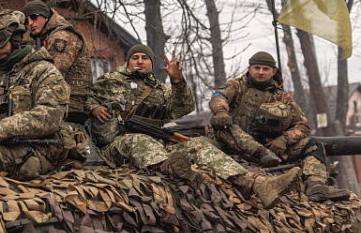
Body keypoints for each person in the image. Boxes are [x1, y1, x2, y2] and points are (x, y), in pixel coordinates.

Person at [87, 44, 299, 208]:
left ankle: (255, 183)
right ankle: (171, 168)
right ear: (128, 61)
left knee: (199, 144)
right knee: (138, 139)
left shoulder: (160, 90)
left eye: (145, 58)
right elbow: (83, 98)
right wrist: (94, 107)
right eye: (135, 58)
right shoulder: (110, 80)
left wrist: (178, 82)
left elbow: (182, 108)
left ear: (152, 63)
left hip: (157, 143)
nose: (140, 62)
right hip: (117, 145)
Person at [209, 51, 348, 202]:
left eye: (265, 69)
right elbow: (219, 96)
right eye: (257, 68)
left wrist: (284, 139)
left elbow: (302, 125)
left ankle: (316, 186)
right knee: (224, 125)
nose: (261, 72)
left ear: (273, 71)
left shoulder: (282, 97)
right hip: (235, 143)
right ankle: (259, 153)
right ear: (249, 69)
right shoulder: (236, 86)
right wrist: (221, 111)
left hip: (270, 148)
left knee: (313, 144)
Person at [0, 7, 74, 180]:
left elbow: (50, 116)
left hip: (40, 150)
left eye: (0, 41)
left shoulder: (44, 71)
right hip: (2, 147)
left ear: (15, 37)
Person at [22, 0, 92, 123]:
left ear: (45, 15)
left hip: (71, 106)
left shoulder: (61, 36)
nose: (30, 23)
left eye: (34, 17)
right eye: (26, 21)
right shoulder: (47, 36)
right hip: (60, 102)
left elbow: (54, 74)